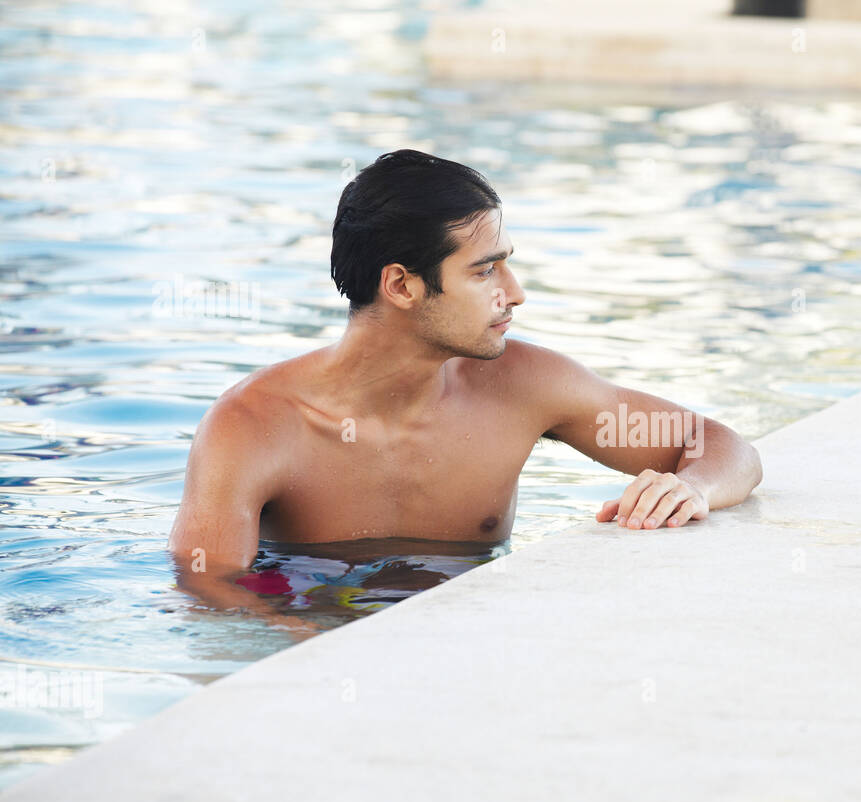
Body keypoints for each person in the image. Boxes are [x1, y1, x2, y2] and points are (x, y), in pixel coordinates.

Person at [167, 149, 763, 623]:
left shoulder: (523, 386)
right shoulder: (254, 425)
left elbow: (719, 444)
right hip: (317, 622)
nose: (516, 291)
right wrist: (313, 653)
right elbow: (207, 583)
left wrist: (695, 489)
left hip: (474, 631)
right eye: (485, 270)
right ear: (402, 285)